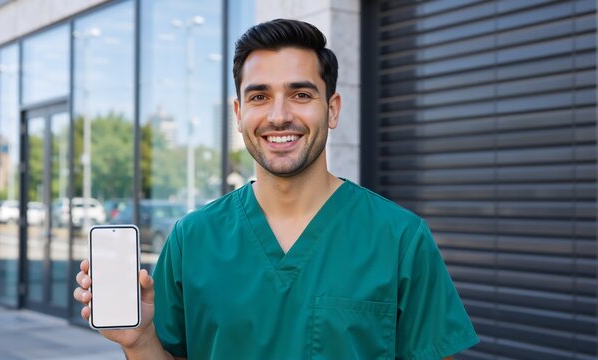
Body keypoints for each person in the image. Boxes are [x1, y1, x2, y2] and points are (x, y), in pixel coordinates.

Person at [74, 18, 479, 359]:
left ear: (332, 109)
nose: (279, 115)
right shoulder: (192, 238)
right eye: (259, 96)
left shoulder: (400, 239)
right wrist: (141, 341)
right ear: (239, 113)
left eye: (301, 94)